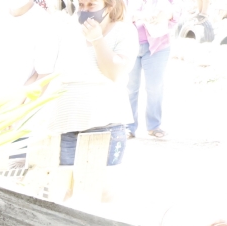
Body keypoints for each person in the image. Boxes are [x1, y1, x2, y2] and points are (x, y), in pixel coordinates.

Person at [28, 0, 136, 175]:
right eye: (81, 5)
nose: (85, 10)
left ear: (108, 7)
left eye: (91, 5)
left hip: (104, 127)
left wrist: (97, 39)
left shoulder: (124, 31)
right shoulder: (68, 30)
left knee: (100, 191)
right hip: (65, 127)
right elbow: (47, 72)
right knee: (65, 189)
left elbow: (115, 72)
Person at [125, 0, 175, 138]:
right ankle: (128, 127)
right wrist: (139, 15)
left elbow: (177, 11)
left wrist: (167, 14)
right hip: (129, 45)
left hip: (158, 46)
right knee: (130, 88)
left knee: (154, 87)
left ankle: (154, 126)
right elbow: (117, 13)